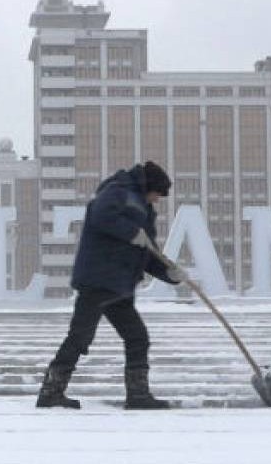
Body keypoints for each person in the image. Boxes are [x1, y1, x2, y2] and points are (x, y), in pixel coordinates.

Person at [36, 161, 186, 410]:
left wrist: (170, 273)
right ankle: (51, 391)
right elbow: (101, 216)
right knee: (80, 337)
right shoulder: (118, 191)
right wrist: (131, 232)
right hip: (99, 280)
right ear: (149, 186)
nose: (157, 200)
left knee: (137, 337)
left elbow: (146, 252)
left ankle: (138, 396)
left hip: (120, 287)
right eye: (157, 194)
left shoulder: (144, 209)